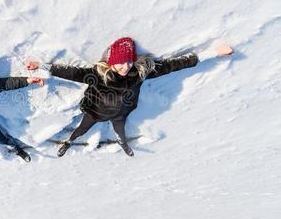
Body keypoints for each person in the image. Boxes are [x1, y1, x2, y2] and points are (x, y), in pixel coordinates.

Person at [26, 37, 233, 157]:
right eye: (120, 63)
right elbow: (70, 72)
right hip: (95, 112)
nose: (125, 67)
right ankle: (69, 142)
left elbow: (175, 64)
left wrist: (213, 52)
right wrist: (42, 65)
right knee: (82, 128)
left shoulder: (140, 72)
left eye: (129, 62)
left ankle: (122, 143)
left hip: (121, 113)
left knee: (120, 130)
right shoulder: (98, 74)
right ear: (111, 63)